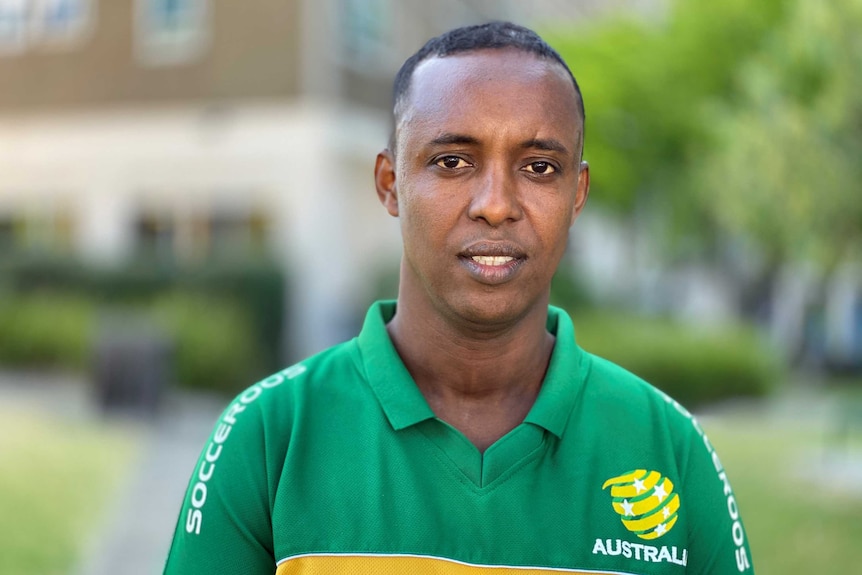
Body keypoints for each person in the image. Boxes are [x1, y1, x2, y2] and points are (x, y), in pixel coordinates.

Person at [163, 21, 754, 575]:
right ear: (390, 184)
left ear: (577, 194)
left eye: (540, 167)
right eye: (452, 161)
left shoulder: (667, 445)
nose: (495, 203)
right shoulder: (268, 437)